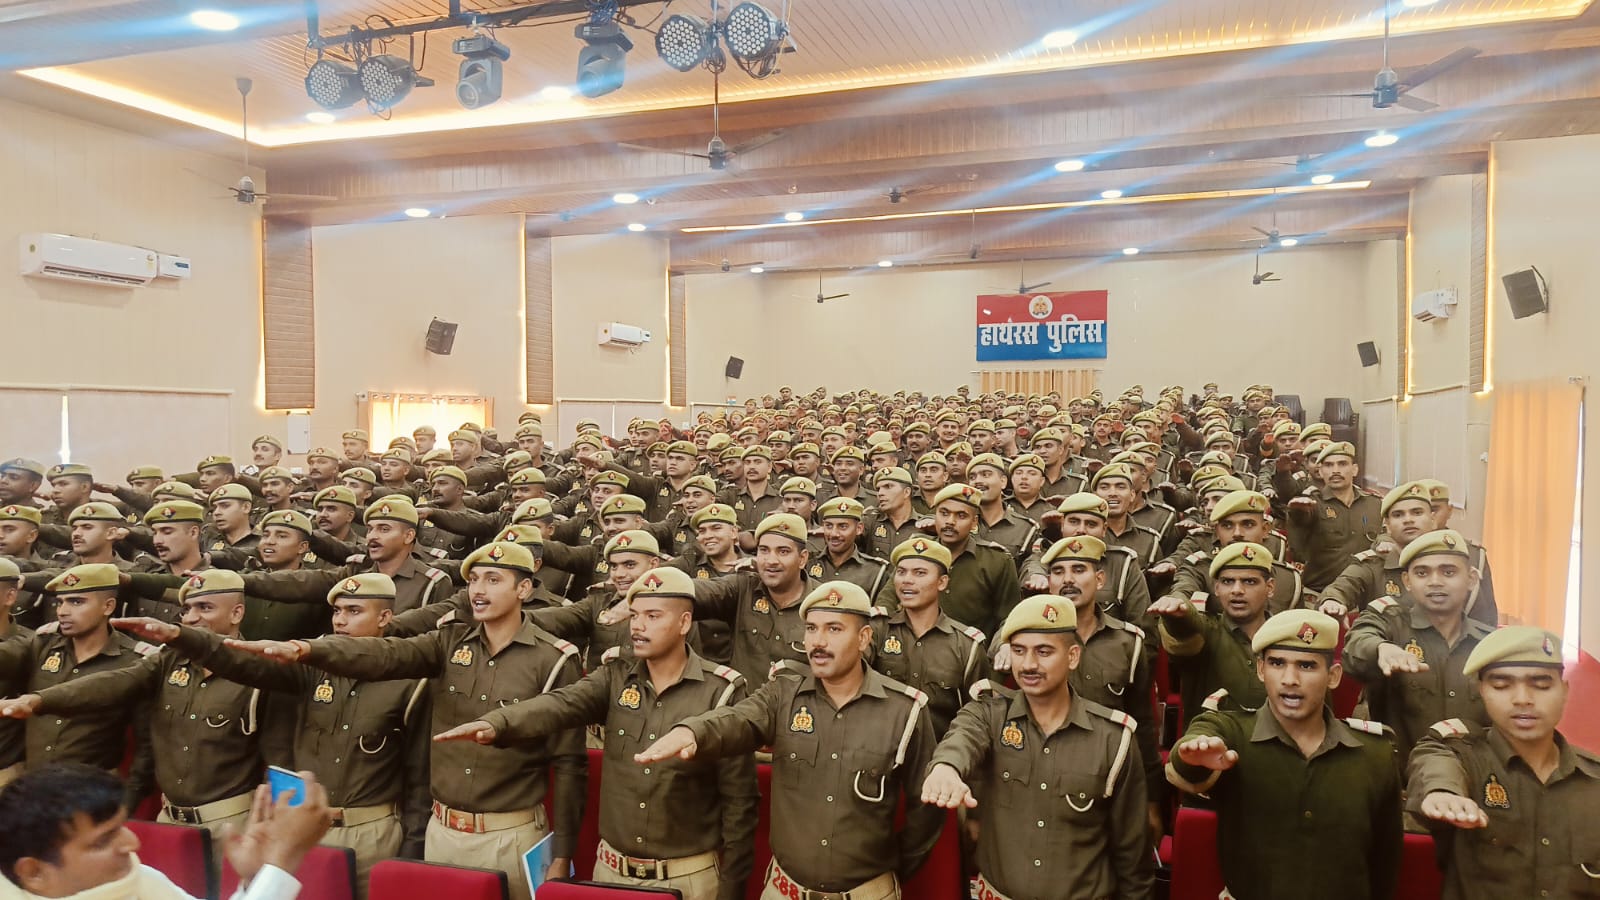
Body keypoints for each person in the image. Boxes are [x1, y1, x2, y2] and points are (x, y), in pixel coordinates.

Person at [220, 542, 586, 900]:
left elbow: (569, 762)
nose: (478, 590)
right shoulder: (448, 642)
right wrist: (308, 649)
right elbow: (386, 653)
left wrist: (562, 855)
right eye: (474, 579)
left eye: (493, 579)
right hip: (441, 831)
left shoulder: (553, 660)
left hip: (509, 835)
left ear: (524, 589)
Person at [435, 567, 758, 900]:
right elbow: (561, 703)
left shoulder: (721, 692)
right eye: (634, 615)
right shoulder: (616, 675)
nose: (638, 626)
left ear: (684, 622)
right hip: (610, 873)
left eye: (652, 616)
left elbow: (740, 803)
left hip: (687, 880)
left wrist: (731, 892)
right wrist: (498, 723)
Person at [103, 573, 432, 897]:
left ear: (384, 618)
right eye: (337, 611)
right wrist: (182, 637)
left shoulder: (411, 682)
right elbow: (243, 666)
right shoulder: (310, 667)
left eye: (354, 611)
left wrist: (413, 847)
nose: (340, 621)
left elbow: (418, 775)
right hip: (303, 826)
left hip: (371, 832)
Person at [633, 580, 943, 900]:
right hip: (784, 892)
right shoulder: (783, 694)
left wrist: (889, 867)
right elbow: (739, 719)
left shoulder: (904, 710)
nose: (818, 641)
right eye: (811, 628)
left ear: (864, 638)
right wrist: (691, 731)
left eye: (834, 629)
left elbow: (926, 811)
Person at [0, 570, 264, 880]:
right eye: (187, 609)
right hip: (170, 819)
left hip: (231, 820)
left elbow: (276, 755)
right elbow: (116, 681)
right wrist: (38, 701)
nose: (192, 618)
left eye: (204, 608)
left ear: (237, 613)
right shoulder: (168, 659)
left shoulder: (260, 671)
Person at [920, 593, 1152, 900]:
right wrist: (946, 768)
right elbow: (962, 738)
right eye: (1019, 650)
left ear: (1072, 656)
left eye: (1043, 652)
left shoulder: (1113, 739)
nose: (1029, 664)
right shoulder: (988, 715)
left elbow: (1133, 859)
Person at [1167, 609, 1403, 900]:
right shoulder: (1232, 732)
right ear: (1261, 670)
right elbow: (1189, 756)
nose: (1290, 679)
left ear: (1333, 676)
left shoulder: (1375, 754)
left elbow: (1385, 864)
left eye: (1307, 665)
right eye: (1277, 663)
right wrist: (1193, 756)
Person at [1407, 626, 1599, 899]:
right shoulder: (1465, 757)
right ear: (1482, 691)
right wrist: (1443, 791)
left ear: (1564, 691)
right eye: (1501, 685)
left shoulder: (1594, 782)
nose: (1523, 699)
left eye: (1541, 685)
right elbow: (1434, 760)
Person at [0, 763, 334, 900]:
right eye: (103, 840)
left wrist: (256, 878)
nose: (132, 843)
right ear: (34, 873)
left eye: (122, 826)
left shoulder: (131, 880)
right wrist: (282, 862)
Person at [0, 564, 154, 809]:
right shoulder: (43, 644)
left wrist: (129, 801)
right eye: (60, 602)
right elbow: (6, 655)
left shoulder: (134, 660)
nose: (63, 611)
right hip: (33, 789)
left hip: (91, 796)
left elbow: (146, 746)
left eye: (76, 602)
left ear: (108, 606)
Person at [1342, 530, 1495, 762]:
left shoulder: (1489, 644)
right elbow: (1358, 643)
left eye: (1448, 572)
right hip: (1401, 775)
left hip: (1473, 774)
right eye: (1422, 573)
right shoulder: (1389, 621)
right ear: (1407, 581)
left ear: (1472, 579)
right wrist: (1381, 648)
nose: (1435, 582)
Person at [869, 539, 986, 736]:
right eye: (901, 572)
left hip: (939, 750)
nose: (907, 580)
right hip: (880, 745)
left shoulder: (966, 645)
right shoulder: (877, 630)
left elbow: (976, 717)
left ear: (942, 582)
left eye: (920, 573)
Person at [1150, 542, 1279, 719]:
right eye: (1227, 581)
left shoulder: (1286, 638)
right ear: (1216, 588)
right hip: (1208, 735)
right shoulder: (1207, 631)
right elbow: (1187, 628)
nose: (1237, 590)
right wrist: (1177, 615)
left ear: (1270, 587)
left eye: (1249, 582)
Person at [875, 484, 1018, 640]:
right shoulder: (915, 552)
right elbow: (888, 599)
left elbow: (1008, 617)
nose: (950, 521)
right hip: (913, 643)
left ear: (974, 522)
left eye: (961, 516)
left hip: (970, 649)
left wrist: (1000, 646)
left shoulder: (996, 560)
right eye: (944, 513)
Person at [1316, 481, 1437, 618]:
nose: (1408, 520)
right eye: (1398, 515)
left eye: (1417, 513)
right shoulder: (1372, 566)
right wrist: (1332, 600)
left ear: (1433, 519)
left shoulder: (1450, 562)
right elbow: (1343, 586)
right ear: (1387, 525)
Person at [1280, 442, 1381, 591]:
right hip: (1320, 591)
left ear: (1355, 469)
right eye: (1328, 465)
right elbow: (1300, 521)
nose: (1335, 470)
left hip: (1365, 593)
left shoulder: (1375, 505)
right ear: (1320, 472)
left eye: (1342, 464)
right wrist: (1297, 513)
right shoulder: (1311, 504)